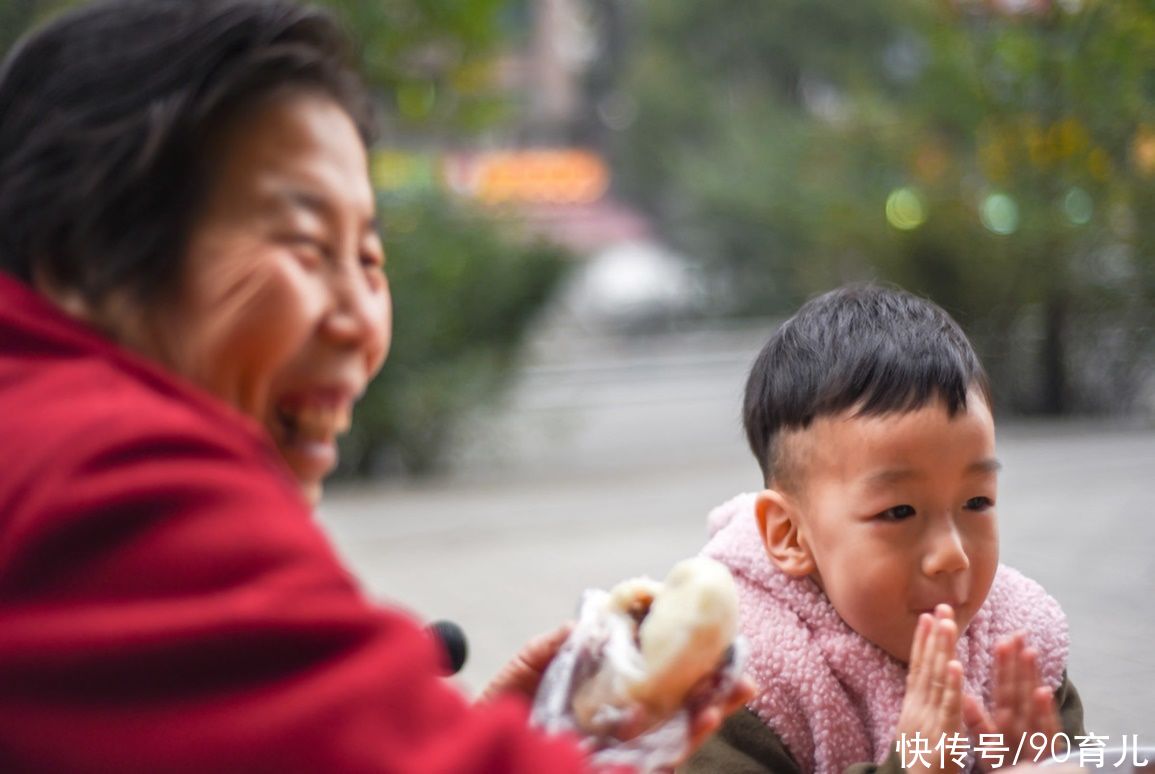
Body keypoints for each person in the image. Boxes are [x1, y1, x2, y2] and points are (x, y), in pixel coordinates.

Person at [0, 1, 748, 771]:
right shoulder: (108, 478)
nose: (361, 322)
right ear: (81, 259)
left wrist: (429, 730)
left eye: (366, 258)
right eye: (303, 243)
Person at [682, 285, 1086, 774]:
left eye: (976, 501)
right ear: (789, 534)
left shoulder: (1019, 652)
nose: (952, 554)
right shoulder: (741, 682)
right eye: (899, 512)